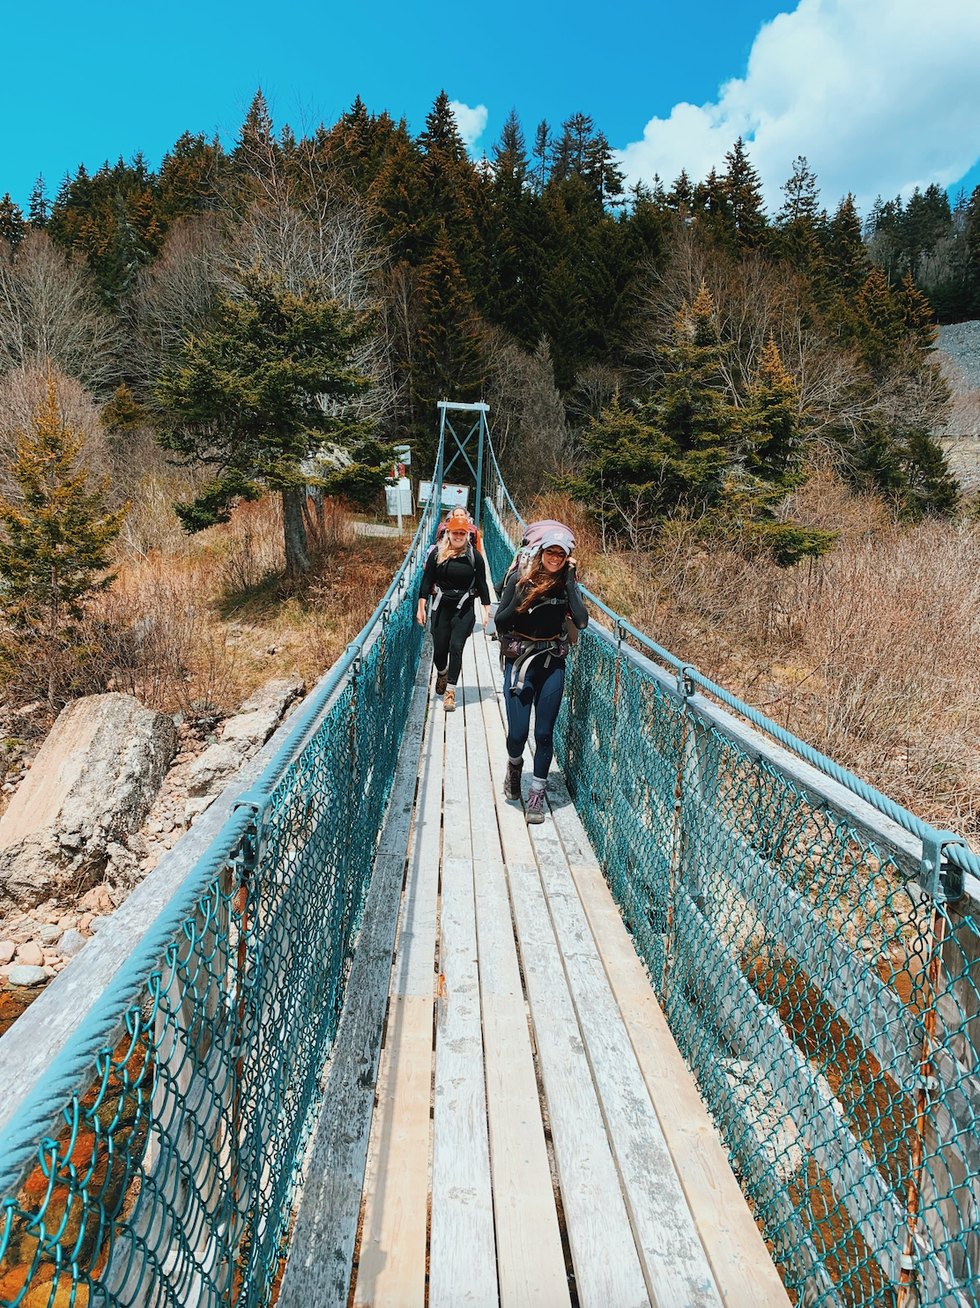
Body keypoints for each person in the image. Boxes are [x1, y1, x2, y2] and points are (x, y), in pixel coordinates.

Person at [494, 526, 588, 823]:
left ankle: (536, 793)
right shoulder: (520, 580)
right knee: (517, 734)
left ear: (567, 558)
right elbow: (500, 621)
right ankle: (514, 765)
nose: (556, 558)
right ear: (541, 552)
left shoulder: (567, 585)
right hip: (520, 663)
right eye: (551, 552)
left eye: (562, 554)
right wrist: (522, 597)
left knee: (544, 733)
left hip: (551, 663)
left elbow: (582, 621)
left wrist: (571, 583)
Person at [416, 508, 490, 711]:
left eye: (462, 533)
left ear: (467, 535)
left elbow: (483, 585)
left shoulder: (475, 557)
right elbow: (426, 582)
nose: (458, 536)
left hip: (464, 608)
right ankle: (442, 672)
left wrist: (486, 612)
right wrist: (421, 607)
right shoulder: (437, 554)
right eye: (455, 533)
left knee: (456, 647)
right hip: (441, 607)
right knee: (440, 650)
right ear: (448, 533)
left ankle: (450, 692)